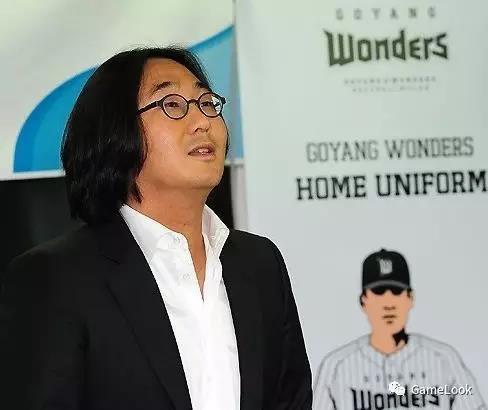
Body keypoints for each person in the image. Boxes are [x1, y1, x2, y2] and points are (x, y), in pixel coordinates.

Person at [0, 47, 312, 410]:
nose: (202, 121)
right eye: (172, 104)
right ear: (115, 133)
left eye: (206, 103)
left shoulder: (259, 264)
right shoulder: (56, 278)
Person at [313, 248, 485, 410]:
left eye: (396, 291)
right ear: (363, 300)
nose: (388, 304)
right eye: (379, 292)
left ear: (410, 298)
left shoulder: (443, 359)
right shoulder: (336, 366)